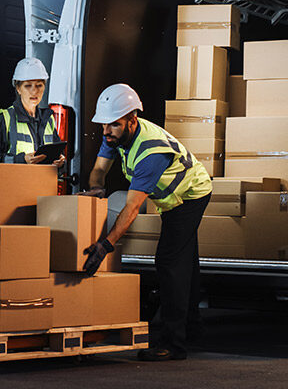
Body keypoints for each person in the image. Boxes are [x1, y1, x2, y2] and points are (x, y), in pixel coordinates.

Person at [81, 83, 212, 361]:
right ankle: (193, 326)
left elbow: (133, 207)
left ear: (132, 119)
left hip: (189, 195)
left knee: (169, 262)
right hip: (172, 197)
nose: (106, 132)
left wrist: (106, 245)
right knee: (185, 259)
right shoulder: (114, 134)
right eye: (104, 125)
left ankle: (173, 345)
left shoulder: (150, 153)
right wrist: (95, 188)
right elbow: (98, 170)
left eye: (113, 125)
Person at [0, 57, 65, 167]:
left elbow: (58, 155)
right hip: (16, 183)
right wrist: (21, 159)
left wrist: (60, 161)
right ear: (18, 88)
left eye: (39, 85)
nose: (34, 91)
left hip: (42, 183)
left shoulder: (48, 120)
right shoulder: (5, 118)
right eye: (28, 86)